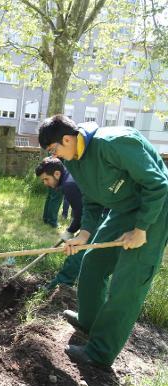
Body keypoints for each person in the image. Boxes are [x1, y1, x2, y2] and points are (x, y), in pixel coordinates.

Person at [38, 114, 168, 369]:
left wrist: (141, 229)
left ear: (67, 138)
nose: (56, 157)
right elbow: (92, 197)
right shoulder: (73, 158)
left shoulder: (115, 143)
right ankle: (89, 320)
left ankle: (100, 352)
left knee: (128, 282)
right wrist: (85, 234)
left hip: (156, 210)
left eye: (55, 150)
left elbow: (158, 184)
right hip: (122, 210)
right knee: (93, 262)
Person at [35, 156, 85, 289]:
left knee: (76, 253)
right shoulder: (69, 177)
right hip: (94, 216)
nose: (45, 183)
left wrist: (70, 231)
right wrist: (71, 231)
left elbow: (81, 215)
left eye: (46, 179)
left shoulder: (69, 185)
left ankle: (59, 286)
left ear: (57, 174)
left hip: (101, 216)